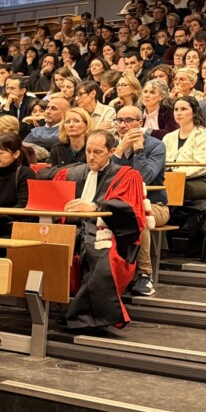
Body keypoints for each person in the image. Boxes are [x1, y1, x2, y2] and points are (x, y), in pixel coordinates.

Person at [50, 131, 146, 330]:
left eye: (98, 152)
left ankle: (85, 316)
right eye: (88, 151)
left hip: (106, 230)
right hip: (71, 229)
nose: (91, 157)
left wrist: (96, 207)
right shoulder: (70, 174)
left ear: (111, 151)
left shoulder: (127, 175)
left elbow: (130, 210)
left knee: (101, 255)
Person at [109, 106, 168, 297]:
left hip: (155, 206)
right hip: (117, 205)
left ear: (140, 123)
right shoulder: (112, 144)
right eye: (119, 120)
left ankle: (144, 275)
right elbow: (106, 179)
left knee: (138, 213)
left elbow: (145, 178)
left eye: (128, 120)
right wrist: (119, 150)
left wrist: (138, 150)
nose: (122, 125)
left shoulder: (156, 146)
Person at [163, 96, 206, 201]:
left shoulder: (204, 135)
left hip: (204, 179)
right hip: (174, 179)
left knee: (174, 190)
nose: (178, 113)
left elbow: (203, 167)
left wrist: (177, 175)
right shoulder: (168, 137)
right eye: (176, 109)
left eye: (183, 109)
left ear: (194, 112)